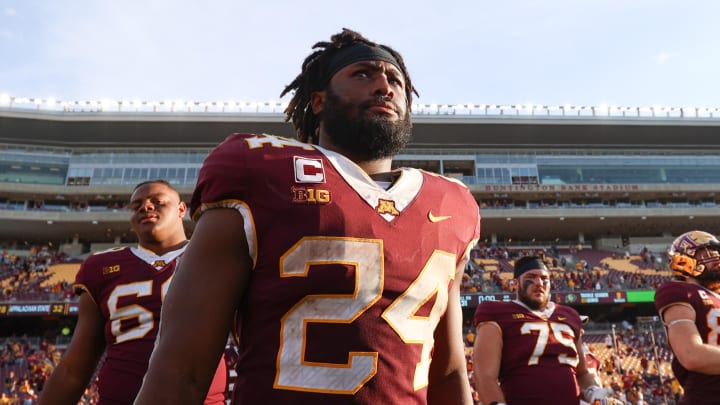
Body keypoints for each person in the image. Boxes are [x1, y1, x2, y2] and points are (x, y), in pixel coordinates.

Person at [134, 28, 480, 405]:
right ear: (318, 100)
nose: (384, 86)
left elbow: (447, 370)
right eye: (363, 74)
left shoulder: (451, 202)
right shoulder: (261, 168)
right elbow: (181, 366)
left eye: (394, 79)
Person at [38, 180, 228, 405]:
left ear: (181, 209)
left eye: (157, 202)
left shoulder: (218, 257)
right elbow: (74, 368)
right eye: (136, 204)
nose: (145, 206)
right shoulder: (100, 267)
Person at [472, 256, 613, 405]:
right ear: (515, 283)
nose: (539, 283)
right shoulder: (498, 312)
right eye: (531, 277)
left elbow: (582, 373)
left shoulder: (569, 315)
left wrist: (592, 391)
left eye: (544, 278)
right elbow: (485, 376)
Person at [654, 230, 720, 405]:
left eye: (717, 253)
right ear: (684, 260)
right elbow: (691, 354)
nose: (717, 258)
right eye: (708, 253)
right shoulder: (680, 291)